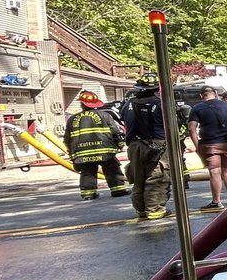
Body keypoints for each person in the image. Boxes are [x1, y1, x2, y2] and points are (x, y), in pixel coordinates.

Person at [122, 74, 174, 220]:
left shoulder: (128, 104)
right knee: (157, 176)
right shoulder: (160, 104)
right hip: (157, 144)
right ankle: (155, 209)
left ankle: (141, 209)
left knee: (138, 176)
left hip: (134, 145)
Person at [63, 91, 128, 201]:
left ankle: (88, 194)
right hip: (104, 151)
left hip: (83, 153)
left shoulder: (72, 119)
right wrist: (120, 144)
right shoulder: (105, 115)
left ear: (82, 104)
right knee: (112, 169)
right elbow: (115, 132)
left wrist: (71, 153)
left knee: (87, 173)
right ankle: (118, 190)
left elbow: (67, 139)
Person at [188, 86, 227, 209]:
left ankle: (216, 201)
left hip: (210, 144)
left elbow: (191, 128)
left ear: (201, 96)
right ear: (215, 94)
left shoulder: (197, 108)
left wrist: (197, 145)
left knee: (215, 172)